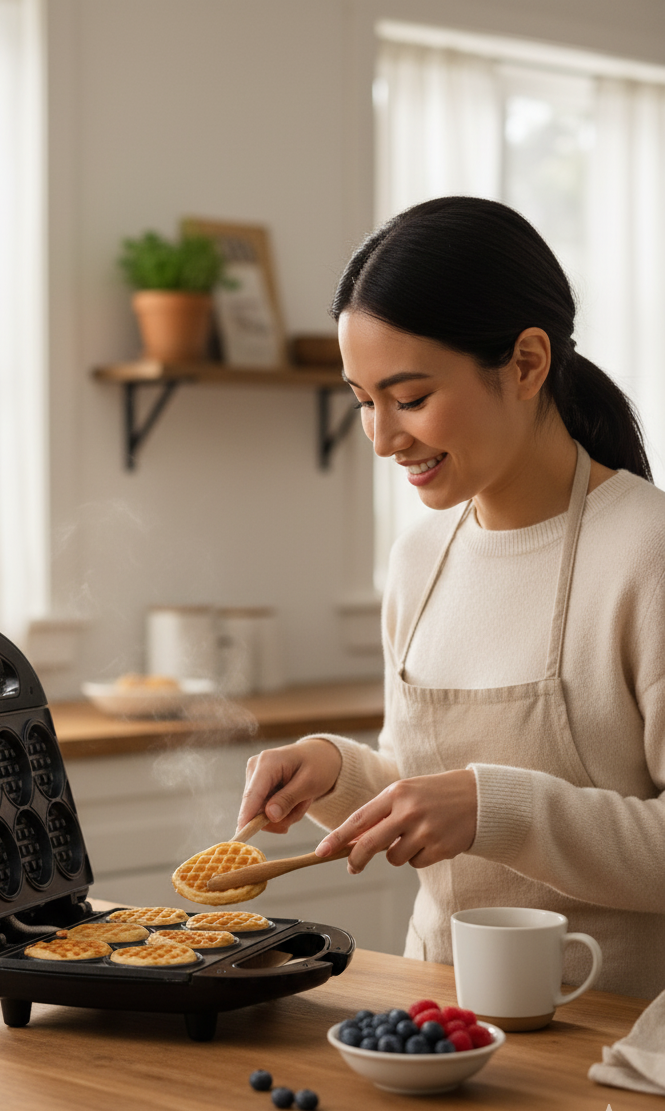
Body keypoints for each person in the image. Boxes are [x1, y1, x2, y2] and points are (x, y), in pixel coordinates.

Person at [236, 196, 665, 1000]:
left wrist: (498, 806)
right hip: (433, 1021)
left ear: (528, 363)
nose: (382, 436)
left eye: (410, 396)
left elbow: (481, 807)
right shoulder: (419, 556)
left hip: (615, 1036)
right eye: (364, 400)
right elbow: (421, 793)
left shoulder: (648, 553)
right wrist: (334, 772)